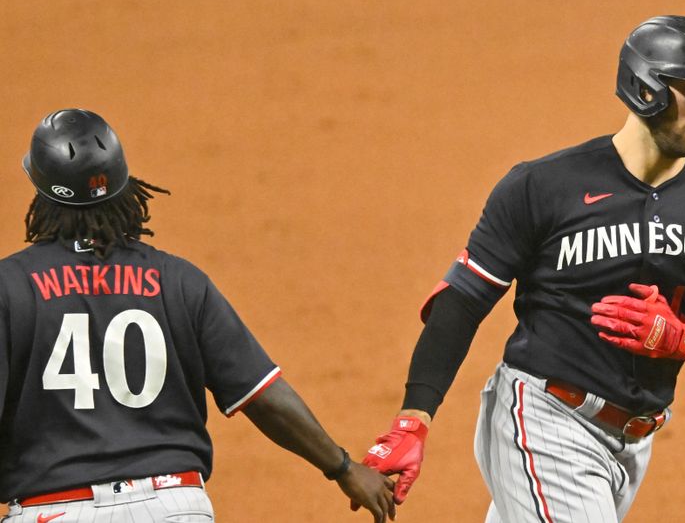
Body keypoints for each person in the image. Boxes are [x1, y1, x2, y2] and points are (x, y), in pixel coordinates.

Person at [355, 15, 685, 523]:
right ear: (645, 88)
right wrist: (413, 421)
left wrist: (683, 341)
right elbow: (462, 301)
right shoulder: (544, 186)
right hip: (545, 419)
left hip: (633, 445)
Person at [0, 109, 396, 523]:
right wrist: (344, 469)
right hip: (174, 507)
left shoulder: (10, 288)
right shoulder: (179, 280)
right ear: (124, 184)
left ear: (41, 191)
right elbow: (263, 395)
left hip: (55, 510)